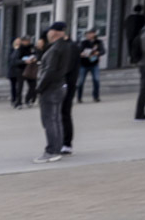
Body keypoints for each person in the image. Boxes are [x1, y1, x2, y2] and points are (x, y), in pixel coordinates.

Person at [35, 22, 76, 161]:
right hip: (60, 86)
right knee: (56, 119)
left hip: (51, 88)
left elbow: (50, 71)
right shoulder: (65, 46)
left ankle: (52, 151)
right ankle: (57, 148)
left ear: (53, 32)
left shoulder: (55, 49)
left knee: (50, 120)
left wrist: (39, 87)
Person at [77, 29, 105, 100]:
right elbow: (79, 51)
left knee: (96, 80)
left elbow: (103, 51)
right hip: (83, 64)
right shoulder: (83, 42)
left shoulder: (98, 42)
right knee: (80, 81)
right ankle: (79, 97)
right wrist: (81, 54)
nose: (89, 35)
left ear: (94, 34)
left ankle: (96, 97)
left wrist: (98, 53)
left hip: (94, 64)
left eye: (90, 33)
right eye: (87, 34)